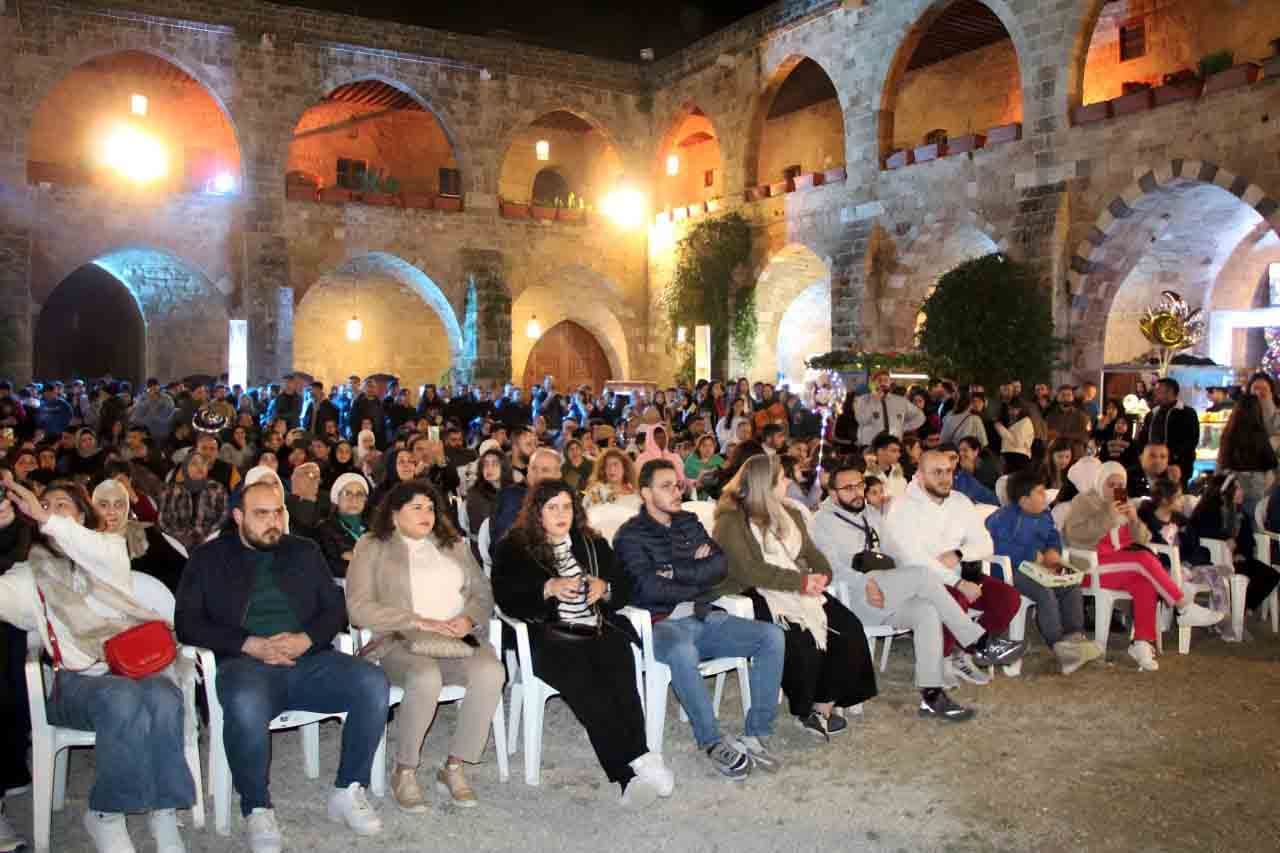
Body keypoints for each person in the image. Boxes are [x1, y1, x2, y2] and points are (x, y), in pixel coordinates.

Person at [176, 481, 389, 852]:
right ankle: (256, 807)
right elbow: (188, 623)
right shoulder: (208, 558)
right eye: (261, 514)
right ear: (238, 516)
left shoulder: (303, 551)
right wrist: (249, 644)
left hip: (309, 659)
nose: (273, 522)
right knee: (244, 705)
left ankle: (348, 789)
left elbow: (334, 608)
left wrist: (307, 639)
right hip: (245, 665)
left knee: (372, 682)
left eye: (278, 512)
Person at [0, 478, 195, 853]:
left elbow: (89, 546)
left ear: (82, 517)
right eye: (45, 505)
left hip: (134, 671)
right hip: (73, 686)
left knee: (166, 698)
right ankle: (106, 814)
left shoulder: (108, 552)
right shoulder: (28, 576)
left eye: (63, 506)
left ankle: (165, 810)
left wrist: (47, 518)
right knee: (121, 698)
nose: (52, 513)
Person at [491, 480, 672, 805]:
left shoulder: (590, 542)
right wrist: (546, 589)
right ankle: (629, 771)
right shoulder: (514, 547)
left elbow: (625, 584)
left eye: (567, 506)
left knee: (622, 672)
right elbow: (505, 598)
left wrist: (606, 587)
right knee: (590, 690)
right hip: (550, 637)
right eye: (552, 508)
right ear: (537, 513)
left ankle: (640, 757)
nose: (562, 514)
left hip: (598, 628)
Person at [614, 459, 785, 777]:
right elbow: (648, 587)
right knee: (683, 651)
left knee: (772, 636)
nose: (677, 491)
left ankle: (756, 733)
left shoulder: (689, 522)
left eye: (678, 485)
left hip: (703, 615)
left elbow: (720, 567)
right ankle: (711, 741)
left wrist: (673, 570)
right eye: (666, 486)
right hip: (660, 624)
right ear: (646, 493)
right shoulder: (630, 536)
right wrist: (694, 573)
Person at [346, 480, 503, 810]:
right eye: (416, 507)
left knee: (491, 672)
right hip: (401, 639)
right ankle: (404, 769)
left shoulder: (453, 544)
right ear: (394, 513)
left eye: (430, 507)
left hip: (454, 638)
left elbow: (483, 593)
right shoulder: (372, 545)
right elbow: (357, 608)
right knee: (425, 676)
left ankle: (454, 765)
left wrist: (468, 618)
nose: (426, 514)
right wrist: (416, 620)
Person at [811, 460, 997, 720]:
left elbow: (895, 552)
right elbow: (832, 569)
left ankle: (932, 695)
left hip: (888, 589)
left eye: (860, 485)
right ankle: (977, 641)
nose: (857, 493)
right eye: (848, 488)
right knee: (922, 575)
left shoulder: (871, 514)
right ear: (832, 493)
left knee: (927, 610)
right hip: (853, 595)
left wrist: (901, 575)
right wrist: (867, 583)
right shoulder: (821, 522)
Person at [713, 455, 877, 738]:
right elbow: (752, 571)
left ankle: (823, 706)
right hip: (755, 593)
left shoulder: (789, 511)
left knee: (848, 627)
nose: (788, 482)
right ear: (767, 485)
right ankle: (805, 707)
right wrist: (801, 582)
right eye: (782, 478)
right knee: (801, 638)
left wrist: (822, 574)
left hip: (797, 586)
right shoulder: (731, 521)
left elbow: (810, 552)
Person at [1062, 459, 1222, 671]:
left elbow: (1143, 539)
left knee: (1144, 582)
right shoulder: (1084, 501)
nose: (1116, 489)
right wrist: (1108, 515)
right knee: (1143, 560)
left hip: (1119, 565)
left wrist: (1133, 519)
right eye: (1111, 484)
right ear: (1100, 482)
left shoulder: (1123, 504)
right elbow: (1073, 534)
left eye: (1120, 485)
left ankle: (1141, 642)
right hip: (1089, 566)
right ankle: (1183, 607)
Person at [881, 449, 1026, 685]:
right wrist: (957, 583)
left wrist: (959, 553)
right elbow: (913, 559)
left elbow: (986, 543)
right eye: (936, 472)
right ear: (919, 475)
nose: (944, 477)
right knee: (954, 597)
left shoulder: (960, 501)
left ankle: (964, 651)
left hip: (962, 574)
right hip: (919, 582)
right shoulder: (902, 507)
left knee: (1007, 598)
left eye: (948, 471)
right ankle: (942, 660)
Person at [985, 469, 1101, 673]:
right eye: (1039, 492)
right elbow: (996, 547)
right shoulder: (1003, 518)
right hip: (1012, 571)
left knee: (1071, 583)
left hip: (1042, 567)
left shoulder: (1045, 515)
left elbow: (1052, 537)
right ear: (1023, 500)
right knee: (1045, 593)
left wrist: (1053, 552)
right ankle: (1058, 645)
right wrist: (1032, 555)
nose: (1044, 496)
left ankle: (1074, 637)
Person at [92, 477, 189, 593]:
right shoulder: (87, 543)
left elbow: (183, 572)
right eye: (104, 505)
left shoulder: (146, 533)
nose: (111, 511)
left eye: (118, 504)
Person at [1215, 394, 1278, 510]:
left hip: (1231, 488)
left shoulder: (1229, 433)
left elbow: (1221, 462)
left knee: (1232, 523)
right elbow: (1271, 463)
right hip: (1255, 489)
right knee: (1254, 525)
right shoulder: (1259, 434)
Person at [158, 451, 229, 551]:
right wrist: (182, 538)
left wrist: (205, 536)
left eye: (203, 463)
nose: (200, 467)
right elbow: (163, 521)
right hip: (178, 544)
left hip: (210, 542)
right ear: (185, 468)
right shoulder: (170, 490)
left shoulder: (217, 489)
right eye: (194, 463)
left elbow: (223, 517)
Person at [1136, 377, 1199, 487]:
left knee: (1175, 497)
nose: (1155, 393)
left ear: (1170, 392)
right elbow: (1143, 438)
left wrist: (1173, 456)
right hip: (1153, 467)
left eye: (1159, 391)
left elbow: (1192, 440)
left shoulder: (1187, 413)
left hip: (1178, 467)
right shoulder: (1152, 414)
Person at [314, 472, 371, 578]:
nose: (354, 499)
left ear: (365, 499)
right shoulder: (324, 530)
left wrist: (354, 557)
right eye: (347, 493)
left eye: (359, 494)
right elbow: (329, 566)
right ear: (337, 497)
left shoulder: (376, 527)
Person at [852, 370, 924, 445]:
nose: (883, 383)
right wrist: (875, 402)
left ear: (890, 382)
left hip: (893, 444)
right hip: (871, 445)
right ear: (873, 383)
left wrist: (903, 427)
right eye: (879, 380)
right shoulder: (863, 400)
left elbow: (920, 417)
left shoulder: (899, 401)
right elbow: (861, 420)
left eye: (886, 380)